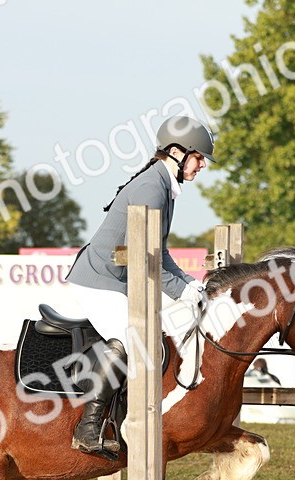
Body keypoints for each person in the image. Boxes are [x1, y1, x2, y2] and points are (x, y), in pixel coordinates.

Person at [65, 115, 215, 459]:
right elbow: (145, 257)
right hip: (98, 280)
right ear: (177, 152)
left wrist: (189, 284)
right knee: (136, 339)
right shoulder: (152, 187)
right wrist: (181, 290)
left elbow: (158, 252)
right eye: (198, 157)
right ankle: (88, 427)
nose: (202, 165)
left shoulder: (164, 184)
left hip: (118, 281)